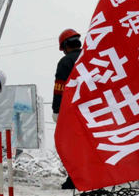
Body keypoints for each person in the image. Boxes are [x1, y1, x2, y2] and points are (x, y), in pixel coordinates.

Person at [53, 28, 82, 190]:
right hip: (92, 110)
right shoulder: (89, 57)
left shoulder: (66, 62)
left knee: (72, 146)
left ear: (64, 47)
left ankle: (74, 179)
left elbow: (60, 88)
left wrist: (56, 110)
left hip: (72, 111)